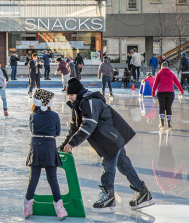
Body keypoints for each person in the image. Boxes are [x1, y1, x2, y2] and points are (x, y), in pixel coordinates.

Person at [61, 78, 155, 212]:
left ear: (78, 92)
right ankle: (143, 192)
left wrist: (73, 143)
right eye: (68, 95)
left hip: (111, 136)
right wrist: (65, 144)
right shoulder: (78, 104)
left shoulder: (89, 101)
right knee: (124, 166)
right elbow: (74, 127)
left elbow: (89, 124)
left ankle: (108, 197)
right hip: (108, 137)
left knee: (108, 165)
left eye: (71, 94)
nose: (69, 97)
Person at [24, 89, 67, 220]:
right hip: (49, 146)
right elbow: (58, 132)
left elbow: (32, 130)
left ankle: (27, 208)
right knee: (52, 178)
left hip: (36, 146)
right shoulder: (54, 115)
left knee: (34, 178)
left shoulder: (33, 116)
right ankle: (59, 210)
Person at [152, 62, 184, 130]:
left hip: (161, 92)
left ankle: (162, 124)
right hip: (170, 93)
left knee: (162, 107)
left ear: (162, 66)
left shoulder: (159, 73)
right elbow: (177, 83)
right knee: (168, 108)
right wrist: (181, 91)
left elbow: (155, 84)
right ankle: (169, 124)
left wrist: (153, 92)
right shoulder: (172, 74)